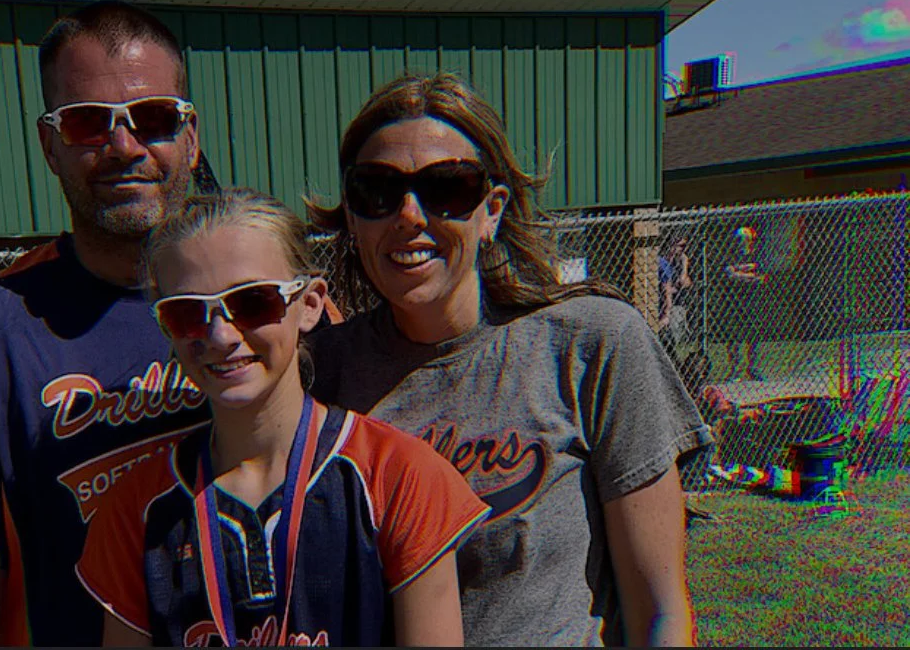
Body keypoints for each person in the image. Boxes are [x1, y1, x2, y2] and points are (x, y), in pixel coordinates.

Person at [306, 72, 714, 647]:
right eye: (377, 190)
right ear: (351, 213)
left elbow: (661, 612)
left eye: (447, 188)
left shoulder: (590, 345)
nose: (409, 215)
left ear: (491, 209)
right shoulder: (317, 375)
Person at [0, 2, 222, 645]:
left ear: (190, 135)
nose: (124, 147)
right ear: (49, 145)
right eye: (86, 124)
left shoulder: (262, 306)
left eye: (153, 118)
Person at [76, 188, 489, 647]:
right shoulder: (135, 509)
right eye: (188, 313)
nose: (221, 335)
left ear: (309, 304)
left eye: (253, 302)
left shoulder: (397, 474)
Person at [723, 225, 767, 381]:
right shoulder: (730, 255)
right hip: (735, 301)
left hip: (752, 301)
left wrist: (739, 272)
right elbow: (730, 274)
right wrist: (748, 274)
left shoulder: (758, 256)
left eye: (745, 239)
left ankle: (753, 368)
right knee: (734, 335)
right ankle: (735, 369)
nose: (742, 243)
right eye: (739, 240)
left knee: (753, 334)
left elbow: (761, 277)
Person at [658, 234, 693, 362]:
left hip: (676, 305)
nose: (683, 249)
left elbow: (686, 282)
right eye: (680, 246)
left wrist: (684, 266)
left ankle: (675, 363)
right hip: (662, 305)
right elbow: (666, 289)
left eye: (685, 246)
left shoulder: (681, 262)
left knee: (675, 337)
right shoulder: (661, 262)